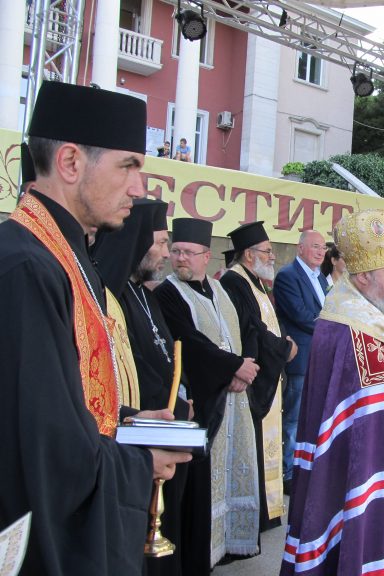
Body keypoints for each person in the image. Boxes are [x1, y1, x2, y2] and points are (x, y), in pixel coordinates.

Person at [0, 81, 190, 576]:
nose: (138, 189)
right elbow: (42, 449)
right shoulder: (27, 267)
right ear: (70, 163)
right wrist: (140, 461)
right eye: (128, 165)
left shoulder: (60, 255)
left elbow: (64, 400)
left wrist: (128, 422)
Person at [280, 209, 384, 576]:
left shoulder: (368, 310)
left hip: (381, 448)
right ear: (362, 277)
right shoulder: (349, 322)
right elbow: (380, 389)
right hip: (361, 456)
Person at [154, 218, 267, 574]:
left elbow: (246, 329)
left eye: (188, 252)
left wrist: (246, 364)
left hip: (235, 396)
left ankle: (227, 546)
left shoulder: (221, 289)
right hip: (205, 401)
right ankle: (201, 553)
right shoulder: (167, 293)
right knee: (202, 487)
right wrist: (233, 367)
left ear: (206, 257)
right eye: (176, 251)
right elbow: (188, 341)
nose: (180, 258)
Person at [91, 198, 193, 576]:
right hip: (130, 439)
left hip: (157, 426)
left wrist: (181, 400)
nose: (167, 253)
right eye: (163, 243)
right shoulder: (112, 294)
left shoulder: (142, 293)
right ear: (137, 241)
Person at [219, 221, 299, 529]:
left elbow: (268, 323)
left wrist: (283, 342)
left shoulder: (253, 281)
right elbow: (251, 329)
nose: (272, 257)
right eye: (267, 252)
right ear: (249, 255)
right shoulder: (234, 281)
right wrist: (284, 348)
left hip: (266, 374)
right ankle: (258, 515)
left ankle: (268, 510)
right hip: (250, 377)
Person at [272, 230, 329, 493]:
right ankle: (288, 474)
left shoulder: (321, 279)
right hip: (301, 358)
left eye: (323, 248)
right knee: (294, 418)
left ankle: (307, 467)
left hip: (321, 356)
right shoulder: (287, 276)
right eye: (315, 246)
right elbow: (300, 315)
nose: (320, 251)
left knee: (315, 416)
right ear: (300, 248)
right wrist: (332, 329)